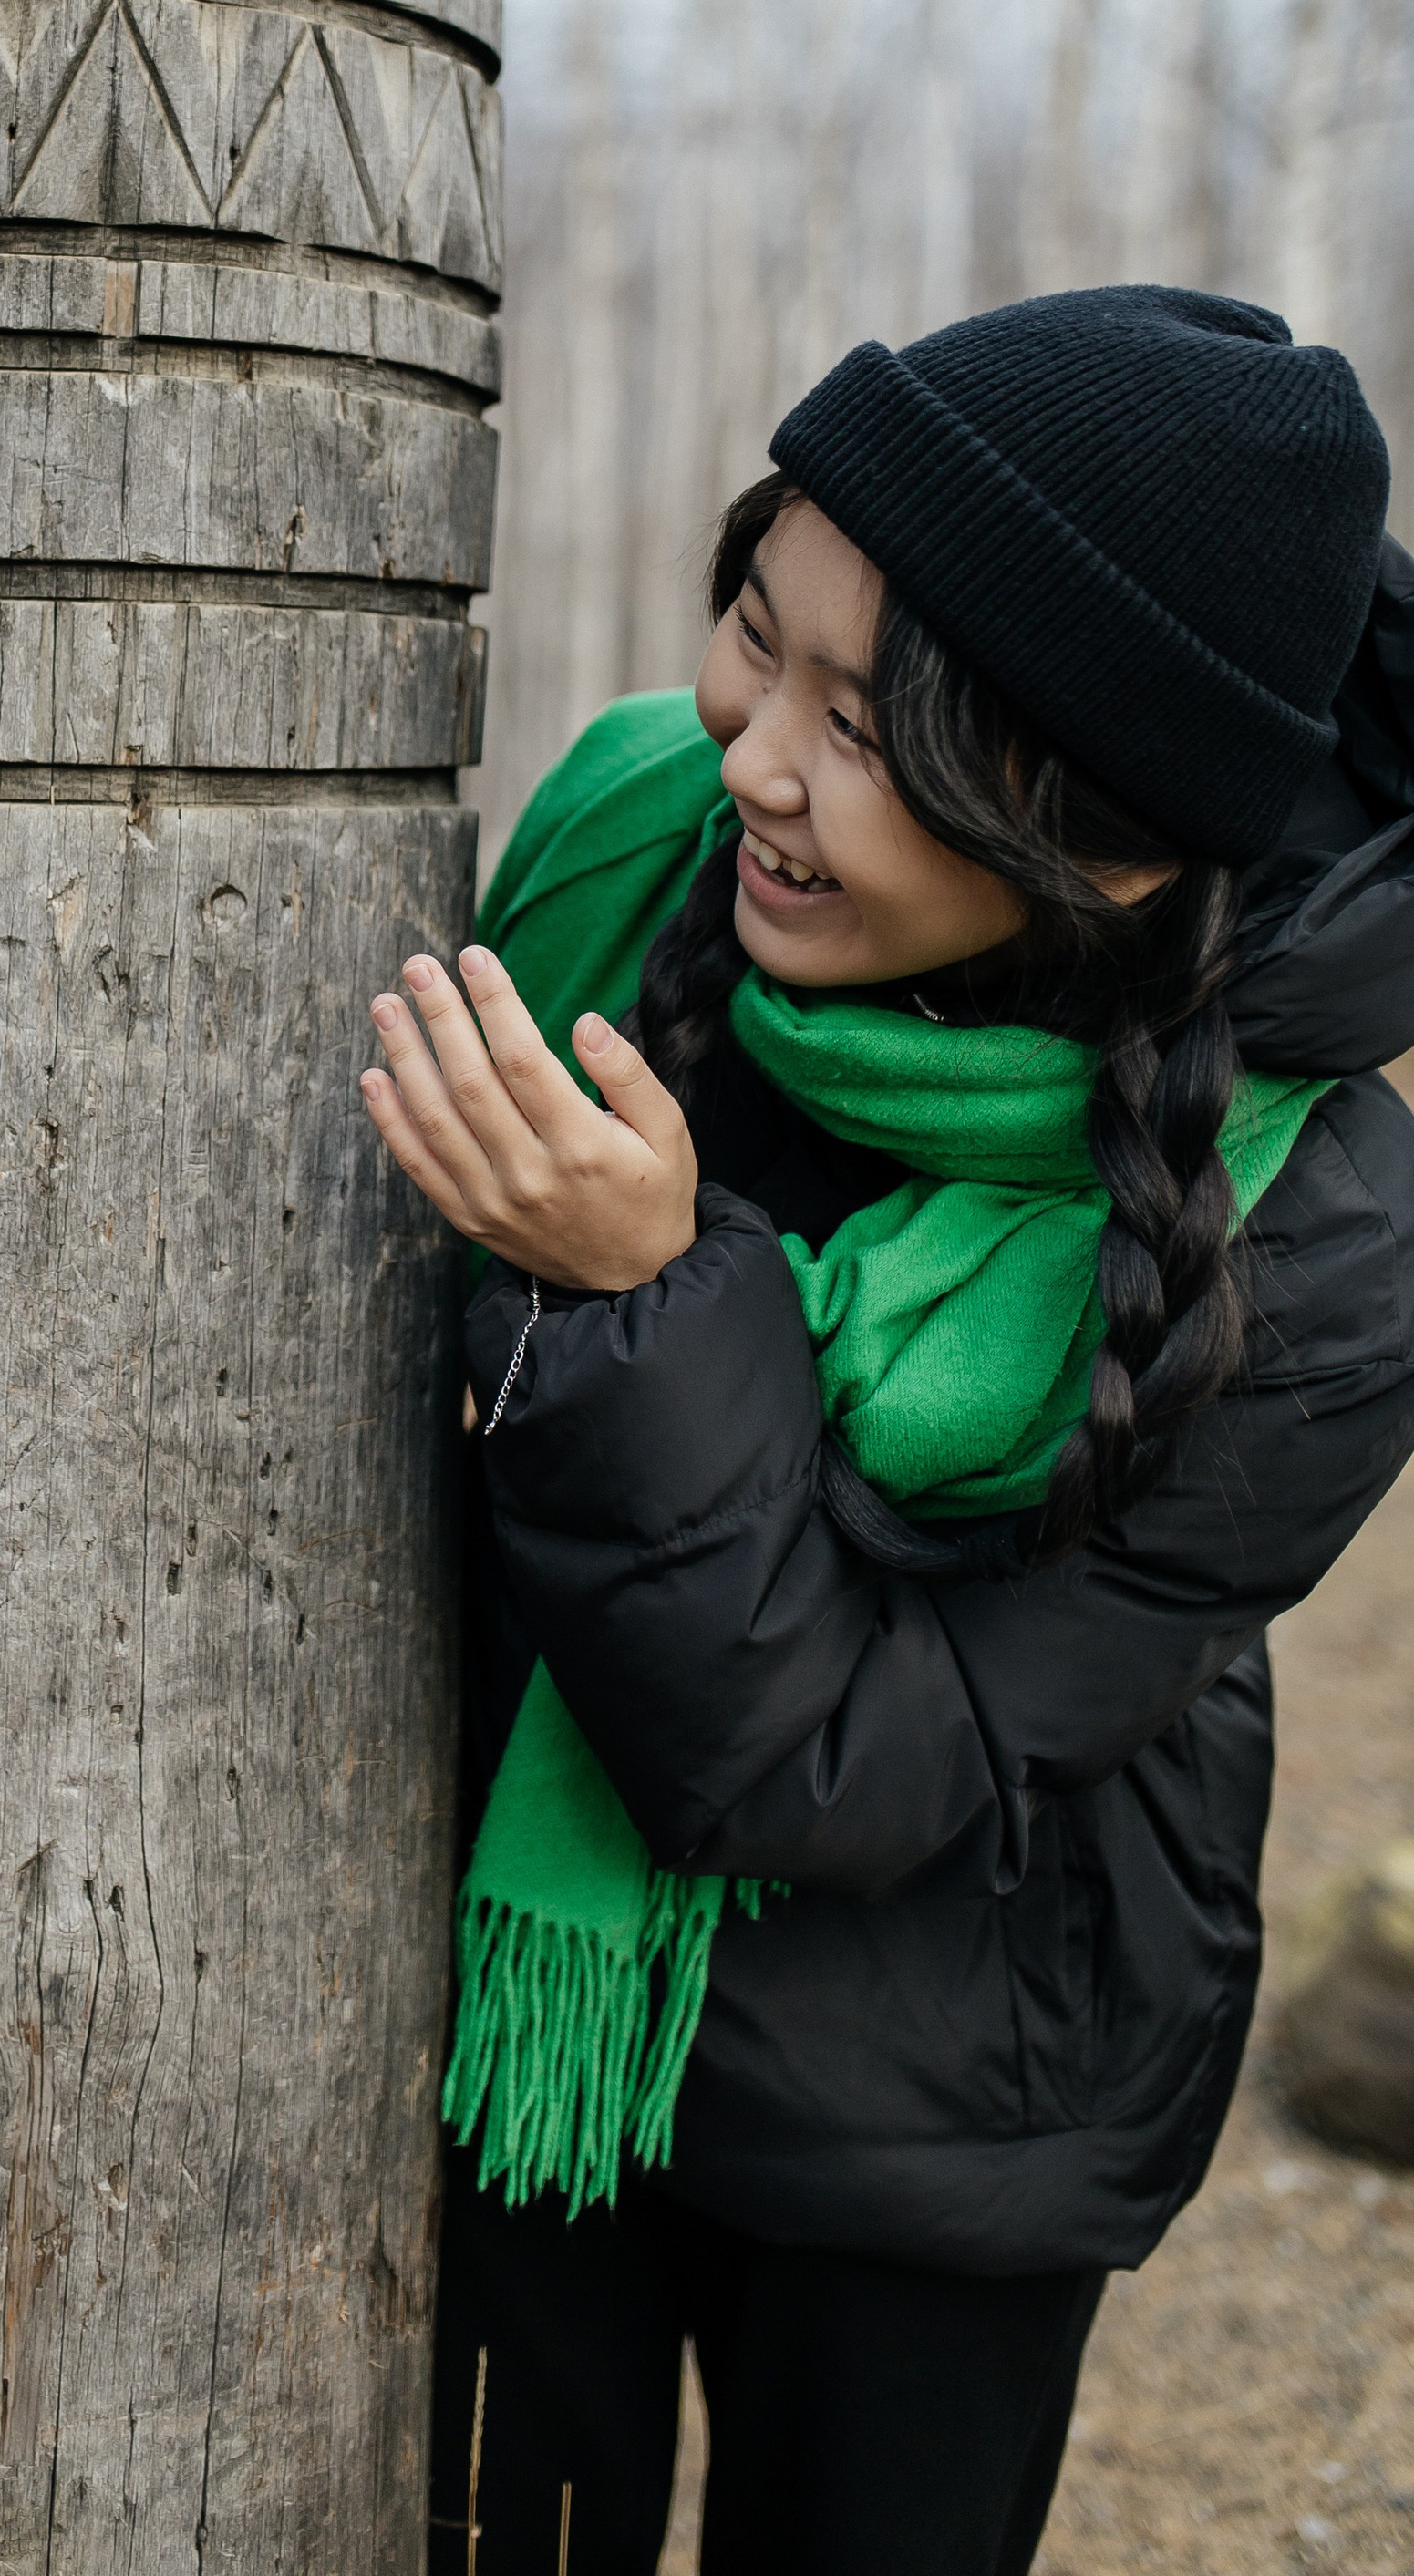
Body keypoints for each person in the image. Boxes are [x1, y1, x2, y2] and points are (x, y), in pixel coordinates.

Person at [360, 287, 1414, 2576]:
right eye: (758, 634)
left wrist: (641, 1302)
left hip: (945, 2102)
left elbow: (837, 1756)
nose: (747, 759)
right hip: (509, 2019)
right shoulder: (628, 851)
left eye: (862, 728)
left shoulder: (1315, 1234)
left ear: (1107, 839)